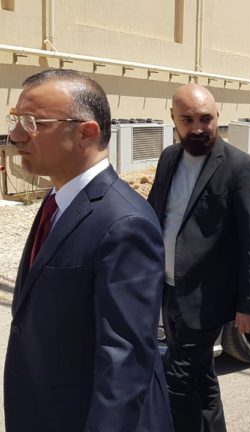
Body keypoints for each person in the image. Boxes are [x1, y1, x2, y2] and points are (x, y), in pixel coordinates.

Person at [4, 69, 172, 431]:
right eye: (15, 120)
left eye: (32, 123)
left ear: (86, 132)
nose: (15, 135)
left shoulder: (124, 223)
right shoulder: (58, 200)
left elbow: (124, 360)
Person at [147, 84, 250, 431]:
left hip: (206, 297)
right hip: (169, 289)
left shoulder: (240, 168)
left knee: (178, 380)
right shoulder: (169, 158)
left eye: (206, 119)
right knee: (201, 375)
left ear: (218, 116)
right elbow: (156, 212)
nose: (198, 128)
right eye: (188, 120)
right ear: (173, 118)